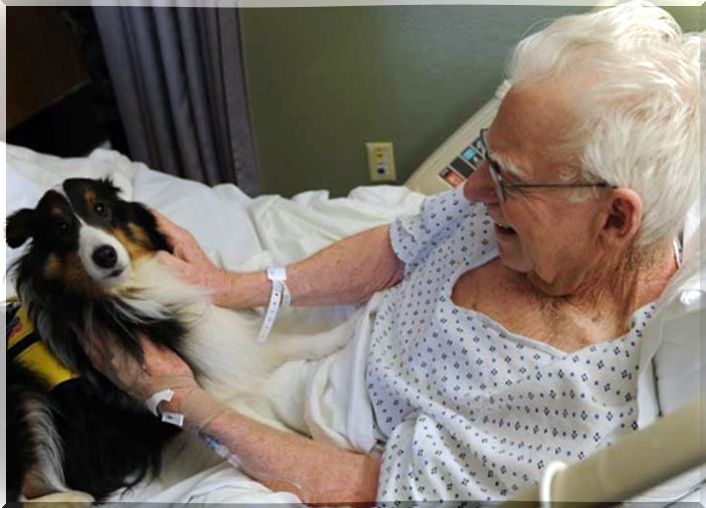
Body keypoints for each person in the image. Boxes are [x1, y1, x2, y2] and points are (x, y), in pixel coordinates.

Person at [81, 1, 702, 503]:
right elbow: (397, 246)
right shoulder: (522, 209)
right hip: (341, 340)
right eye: (488, 154)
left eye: (508, 179)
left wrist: (181, 400)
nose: (474, 190)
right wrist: (236, 286)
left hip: (329, 442)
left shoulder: (573, 416)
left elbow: (369, 487)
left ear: (615, 218)